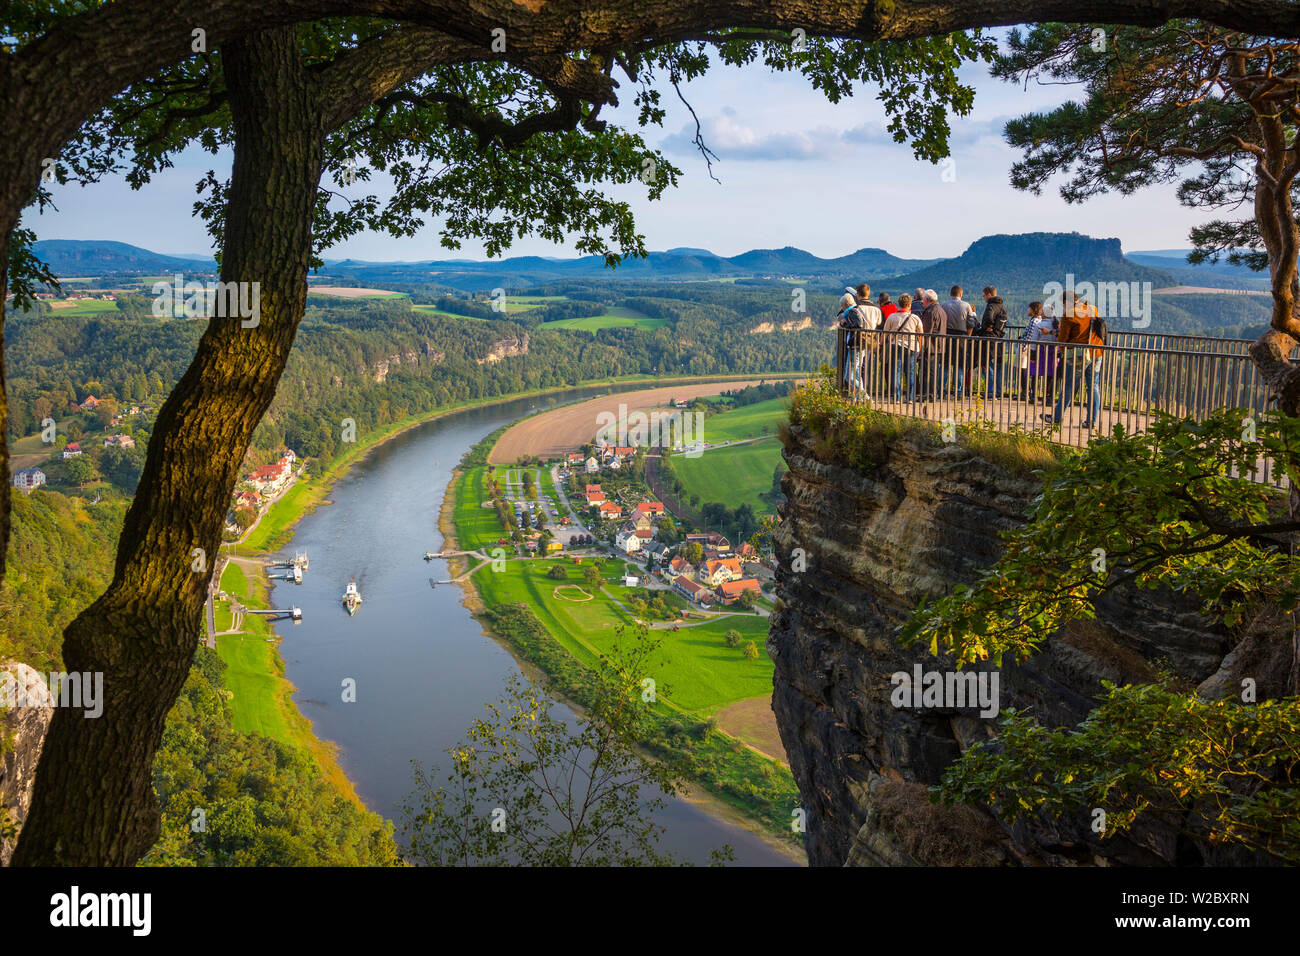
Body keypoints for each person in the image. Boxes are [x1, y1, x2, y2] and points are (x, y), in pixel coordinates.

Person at [1045, 291, 1103, 428]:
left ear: (1066, 302)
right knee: (1093, 387)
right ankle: (1091, 421)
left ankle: (1057, 417)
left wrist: (1062, 351)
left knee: (1069, 385)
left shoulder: (1068, 314)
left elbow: (1063, 338)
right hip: (1096, 352)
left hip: (1078, 355)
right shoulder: (1092, 309)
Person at [883, 292, 922, 401]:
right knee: (911, 372)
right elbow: (920, 334)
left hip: (896, 346)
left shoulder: (892, 317)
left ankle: (896, 396)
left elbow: (885, 333)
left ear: (899, 304)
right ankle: (910, 397)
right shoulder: (915, 318)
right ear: (910, 305)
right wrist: (921, 348)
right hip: (912, 347)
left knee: (896, 371)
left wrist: (882, 344)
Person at [940, 285, 976, 396]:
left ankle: (941, 389)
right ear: (961, 294)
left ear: (951, 294)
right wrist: (967, 336)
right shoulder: (966, 306)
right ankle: (959, 391)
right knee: (959, 365)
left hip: (947, 337)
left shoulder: (943, 305)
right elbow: (971, 323)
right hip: (961, 337)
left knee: (945, 365)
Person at [975, 285, 1009, 397]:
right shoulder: (1002, 307)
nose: (983, 298)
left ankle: (990, 391)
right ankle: (998, 391)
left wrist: (987, 327)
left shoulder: (991, 306)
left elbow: (988, 318)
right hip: (999, 338)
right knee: (998, 367)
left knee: (986, 365)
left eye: (984, 295)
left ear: (989, 295)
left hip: (989, 339)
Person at [1022, 301, 1057, 403]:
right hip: (1052, 351)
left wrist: (1032, 355)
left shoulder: (1040, 325)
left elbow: (1033, 341)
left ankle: (1033, 396)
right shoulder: (1056, 325)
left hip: (1040, 351)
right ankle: (1049, 397)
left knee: (1035, 373)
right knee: (1050, 374)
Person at [920, 290, 947, 400]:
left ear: (926, 299)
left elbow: (926, 330)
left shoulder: (930, 311)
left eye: (923, 300)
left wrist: (922, 347)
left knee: (928, 371)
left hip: (931, 346)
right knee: (934, 371)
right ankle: (932, 393)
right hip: (940, 345)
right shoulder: (941, 310)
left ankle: (928, 394)